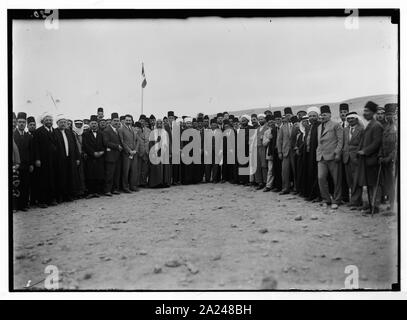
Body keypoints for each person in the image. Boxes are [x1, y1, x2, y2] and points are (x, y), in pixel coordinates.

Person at [356, 101, 384, 214]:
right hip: (366, 159)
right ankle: (371, 204)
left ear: (372, 112)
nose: (365, 113)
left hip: (373, 158)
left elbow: (377, 142)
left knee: (374, 184)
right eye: (364, 111)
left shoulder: (376, 125)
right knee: (369, 183)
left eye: (367, 111)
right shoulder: (369, 124)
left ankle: (375, 206)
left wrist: (365, 151)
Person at [316, 105, 343, 209]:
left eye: (325, 114)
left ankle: (337, 200)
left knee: (336, 179)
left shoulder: (336, 125)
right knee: (321, 177)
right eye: (321, 114)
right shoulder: (319, 127)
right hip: (321, 157)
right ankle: (326, 199)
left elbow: (340, 140)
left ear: (330, 114)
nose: (323, 116)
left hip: (333, 156)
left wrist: (337, 153)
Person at [32, 113, 58, 208]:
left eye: (50, 120)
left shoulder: (54, 131)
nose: (49, 122)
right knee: (43, 180)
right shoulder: (38, 131)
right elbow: (36, 147)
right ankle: (42, 201)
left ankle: (51, 199)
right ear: (43, 121)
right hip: (43, 160)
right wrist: (37, 159)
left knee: (52, 179)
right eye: (47, 120)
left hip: (53, 160)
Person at [53, 114, 81, 203]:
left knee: (70, 177)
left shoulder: (69, 132)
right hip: (60, 160)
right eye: (61, 122)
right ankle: (60, 196)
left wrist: (77, 158)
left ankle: (68, 195)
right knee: (61, 178)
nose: (63, 124)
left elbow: (75, 146)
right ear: (57, 123)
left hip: (70, 159)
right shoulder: (54, 132)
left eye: (64, 122)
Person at [342, 112, 365, 209]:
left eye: (352, 118)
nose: (350, 120)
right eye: (348, 119)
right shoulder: (345, 130)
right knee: (350, 180)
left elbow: (363, 143)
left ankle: (355, 201)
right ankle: (356, 200)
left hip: (356, 157)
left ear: (356, 119)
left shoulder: (362, 129)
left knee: (356, 180)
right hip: (346, 157)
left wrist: (358, 153)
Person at [378, 103, 397, 215]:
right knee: (388, 183)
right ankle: (390, 204)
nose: (390, 117)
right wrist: (380, 155)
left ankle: (394, 207)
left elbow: (397, 147)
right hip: (385, 159)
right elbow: (382, 143)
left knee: (394, 184)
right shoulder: (386, 127)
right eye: (388, 114)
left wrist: (389, 158)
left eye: (392, 114)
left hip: (394, 161)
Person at [13, 112, 33, 211]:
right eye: (20, 122)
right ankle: (15, 206)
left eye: (23, 122)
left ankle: (24, 205)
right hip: (15, 166)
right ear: (17, 123)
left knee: (25, 185)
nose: (21, 124)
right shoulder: (12, 134)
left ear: (25, 124)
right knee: (16, 186)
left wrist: (31, 164)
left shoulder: (28, 136)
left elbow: (31, 151)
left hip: (26, 165)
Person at [82, 115, 105, 198]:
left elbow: (104, 144)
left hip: (100, 157)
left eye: (95, 123)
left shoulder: (101, 134)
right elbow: (85, 145)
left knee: (98, 175)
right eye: (92, 123)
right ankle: (90, 192)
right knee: (90, 175)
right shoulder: (85, 134)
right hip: (90, 158)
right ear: (90, 124)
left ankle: (96, 192)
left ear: (97, 124)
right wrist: (93, 153)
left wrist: (101, 152)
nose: (94, 125)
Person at [102, 112, 123, 196]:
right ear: (111, 121)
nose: (116, 122)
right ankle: (107, 190)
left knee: (116, 174)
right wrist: (117, 146)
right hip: (110, 156)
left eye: (118, 121)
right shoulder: (107, 130)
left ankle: (115, 189)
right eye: (115, 120)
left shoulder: (117, 130)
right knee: (109, 174)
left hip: (117, 156)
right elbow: (106, 142)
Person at [118, 114, 140, 193]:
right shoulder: (121, 129)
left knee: (134, 170)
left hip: (134, 153)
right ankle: (125, 187)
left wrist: (136, 150)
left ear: (132, 121)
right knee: (126, 171)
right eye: (126, 120)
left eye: (129, 120)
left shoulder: (133, 129)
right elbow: (122, 141)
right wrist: (129, 150)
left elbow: (138, 140)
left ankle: (133, 186)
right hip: (126, 154)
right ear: (124, 120)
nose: (128, 122)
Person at [149, 119, 171, 188]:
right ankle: (156, 183)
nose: (159, 125)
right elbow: (150, 143)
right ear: (156, 124)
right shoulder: (153, 133)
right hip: (156, 152)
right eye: (158, 123)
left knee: (164, 169)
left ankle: (164, 183)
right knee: (156, 168)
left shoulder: (165, 133)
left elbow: (168, 143)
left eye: (160, 123)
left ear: (162, 124)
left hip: (164, 153)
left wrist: (169, 152)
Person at [277, 107, 294, 195]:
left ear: (292, 115)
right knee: (285, 171)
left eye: (289, 115)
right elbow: (279, 140)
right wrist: (279, 152)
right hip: (285, 152)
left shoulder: (296, 125)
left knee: (295, 171)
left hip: (294, 152)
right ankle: (285, 188)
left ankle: (296, 188)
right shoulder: (282, 127)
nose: (288, 117)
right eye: (286, 115)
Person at [295, 115, 310, 197]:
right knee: (300, 172)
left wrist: (299, 148)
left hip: (307, 156)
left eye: (306, 121)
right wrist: (297, 148)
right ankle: (301, 190)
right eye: (303, 122)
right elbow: (298, 143)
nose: (305, 123)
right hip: (300, 156)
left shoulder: (309, 131)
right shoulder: (301, 133)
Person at [338, 103, 350, 203]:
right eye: (341, 112)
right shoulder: (338, 125)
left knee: (350, 176)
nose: (343, 114)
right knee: (342, 176)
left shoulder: (351, 124)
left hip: (349, 154)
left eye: (345, 112)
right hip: (340, 155)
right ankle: (345, 196)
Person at [204, 118, 222, 183]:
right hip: (208, 151)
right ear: (210, 125)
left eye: (215, 125)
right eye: (212, 125)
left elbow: (221, 142)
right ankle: (207, 179)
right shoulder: (207, 132)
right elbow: (205, 142)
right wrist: (205, 150)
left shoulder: (219, 132)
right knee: (207, 166)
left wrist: (220, 150)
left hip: (216, 151)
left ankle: (214, 179)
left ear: (216, 125)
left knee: (215, 166)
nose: (213, 126)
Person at [72, 119, 87, 197]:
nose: (78, 125)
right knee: (76, 174)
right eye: (77, 124)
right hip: (75, 156)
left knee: (82, 174)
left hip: (83, 155)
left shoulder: (83, 133)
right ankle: (77, 192)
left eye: (80, 124)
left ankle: (82, 190)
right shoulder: (72, 133)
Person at [254, 114, 268, 190]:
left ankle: (265, 181)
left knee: (264, 165)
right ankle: (259, 182)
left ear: (265, 120)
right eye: (259, 119)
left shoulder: (267, 128)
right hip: (257, 147)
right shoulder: (257, 129)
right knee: (258, 165)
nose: (260, 121)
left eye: (261, 119)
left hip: (263, 148)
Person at [262, 114, 274, 192]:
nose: (271, 123)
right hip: (270, 153)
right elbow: (264, 143)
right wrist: (269, 139)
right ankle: (268, 185)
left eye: (272, 122)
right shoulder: (266, 132)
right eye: (269, 122)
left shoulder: (278, 129)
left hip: (278, 152)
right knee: (270, 170)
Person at [271, 111, 282, 192]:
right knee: (276, 169)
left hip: (282, 150)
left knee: (282, 169)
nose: (277, 121)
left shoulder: (284, 127)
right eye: (276, 119)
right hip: (275, 151)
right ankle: (277, 186)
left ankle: (282, 186)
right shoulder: (273, 129)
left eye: (279, 119)